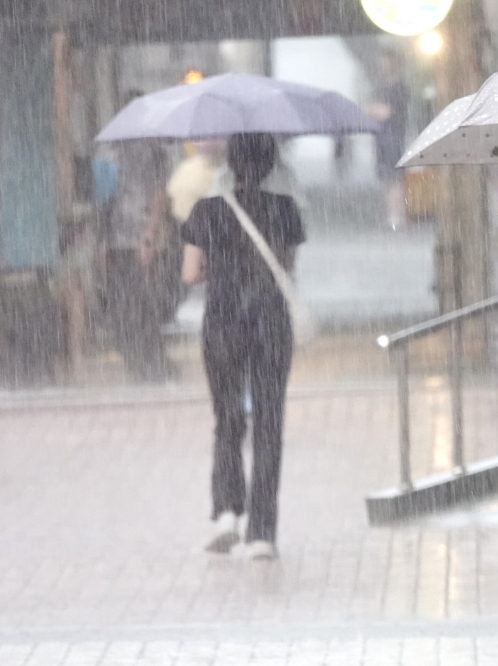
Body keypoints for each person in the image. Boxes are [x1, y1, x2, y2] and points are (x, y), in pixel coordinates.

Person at [181, 133, 305, 561]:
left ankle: (227, 514)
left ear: (230, 164)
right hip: (270, 323)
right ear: (271, 165)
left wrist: (221, 265)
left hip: (222, 324)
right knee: (269, 424)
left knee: (228, 419)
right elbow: (284, 265)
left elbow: (191, 274)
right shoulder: (285, 210)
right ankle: (262, 534)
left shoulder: (206, 211)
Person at [104, 126, 173, 381]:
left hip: (139, 240)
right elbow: (109, 198)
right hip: (120, 240)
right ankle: (139, 362)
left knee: (142, 304)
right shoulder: (116, 152)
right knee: (126, 304)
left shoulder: (153, 152)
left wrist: (149, 237)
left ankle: (150, 363)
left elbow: (158, 196)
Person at [365, 49, 410, 229]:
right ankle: (393, 215)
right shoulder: (380, 86)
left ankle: (397, 216)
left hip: (393, 136)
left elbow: (386, 112)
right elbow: (369, 109)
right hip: (381, 137)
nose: (383, 65)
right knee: (386, 177)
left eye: (386, 61)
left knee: (395, 177)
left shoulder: (400, 87)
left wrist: (376, 110)